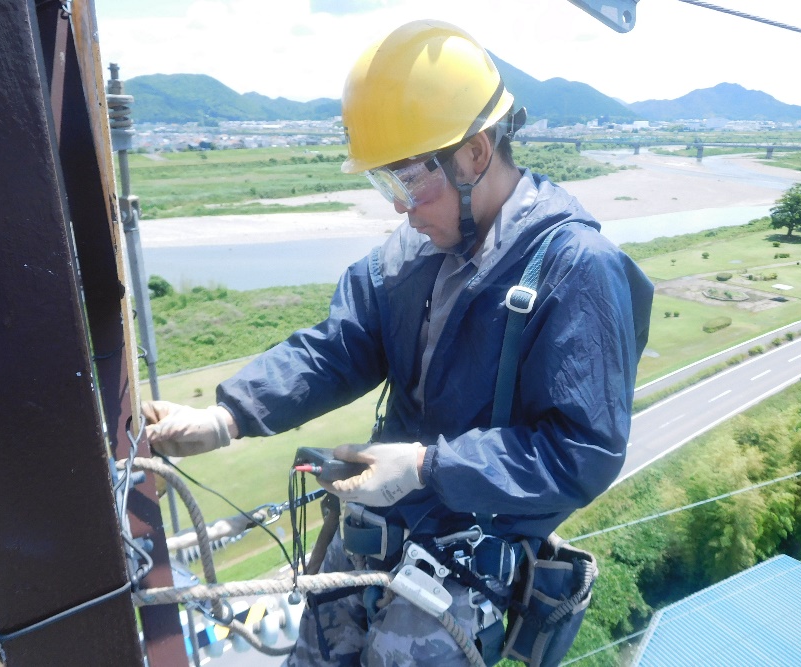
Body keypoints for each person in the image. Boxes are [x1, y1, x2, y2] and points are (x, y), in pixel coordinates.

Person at [143, 19, 653, 667]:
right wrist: (227, 414)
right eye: (387, 184)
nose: (400, 207)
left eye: (410, 179)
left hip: (460, 570)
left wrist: (423, 467)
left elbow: (580, 451)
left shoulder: (575, 269)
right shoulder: (407, 258)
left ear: (473, 153)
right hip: (372, 533)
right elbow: (337, 347)